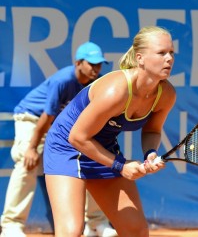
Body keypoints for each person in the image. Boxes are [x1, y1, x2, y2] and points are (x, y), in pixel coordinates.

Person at [43, 25, 176, 237]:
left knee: (136, 231)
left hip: (101, 148)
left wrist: (150, 154)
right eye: (161, 53)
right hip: (66, 147)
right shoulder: (116, 90)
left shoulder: (166, 94)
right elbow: (77, 137)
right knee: (71, 232)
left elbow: (152, 130)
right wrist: (120, 165)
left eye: (171, 53)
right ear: (140, 58)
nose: (169, 58)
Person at [0, 42, 118, 237]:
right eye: (92, 64)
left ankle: (96, 223)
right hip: (33, 118)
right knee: (27, 162)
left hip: (60, 125)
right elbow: (47, 116)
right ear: (78, 63)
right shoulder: (63, 80)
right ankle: (11, 225)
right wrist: (31, 147)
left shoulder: (96, 83)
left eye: (99, 65)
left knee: (89, 163)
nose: (96, 69)